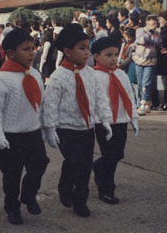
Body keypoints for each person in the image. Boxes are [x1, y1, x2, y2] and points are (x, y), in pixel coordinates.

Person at [42, 24, 113, 217]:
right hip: (66, 129)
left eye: (87, 48)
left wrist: (105, 119)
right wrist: (49, 129)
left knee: (85, 167)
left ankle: (80, 200)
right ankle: (65, 185)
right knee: (75, 161)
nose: (86, 52)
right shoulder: (58, 77)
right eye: (81, 48)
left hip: (87, 128)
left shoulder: (91, 73)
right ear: (67, 51)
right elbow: (50, 105)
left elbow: (100, 98)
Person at [0, 28, 50, 225]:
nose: (31, 53)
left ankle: (29, 195)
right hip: (11, 137)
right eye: (25, 49)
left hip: (33, 132)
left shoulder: (36, 75)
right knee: (12, 176)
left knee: (40, 163)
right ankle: (12, 207)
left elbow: (41, 104)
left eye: (33, 48)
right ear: (11, 53)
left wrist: (47, 128)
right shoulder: (2, 79)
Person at [91, 37, 138, 204]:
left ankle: (97, 166)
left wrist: (133, 117)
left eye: (116, 54)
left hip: (121, 121)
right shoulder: (93, 76)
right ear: (96, 56)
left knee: (118, 154)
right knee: (110, 155)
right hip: (103, 122)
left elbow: (129, 95)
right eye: (108, 54)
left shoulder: (121, 74)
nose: (113, 58)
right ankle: (106, 188)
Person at [133, 14, 162, 115]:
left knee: (147, 82)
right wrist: (150, 34)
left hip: (151, 61)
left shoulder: (157, 32)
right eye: (152, 22)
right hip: (139, 60)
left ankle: (143, 104)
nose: (153, 24)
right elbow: (141, 40)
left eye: (155, 22)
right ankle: (146, 104)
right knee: (141, 83)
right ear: (147, 22)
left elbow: (158, 42)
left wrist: (150, 36)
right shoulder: (140, 30)